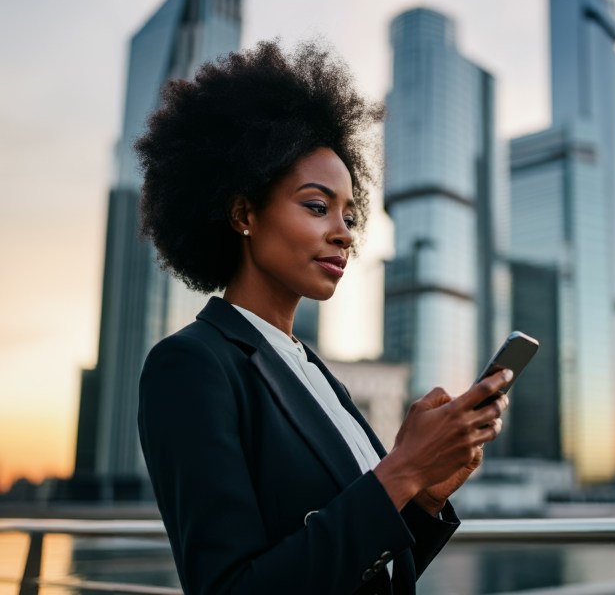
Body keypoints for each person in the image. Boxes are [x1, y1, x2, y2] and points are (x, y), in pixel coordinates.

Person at [136, 39, 511, 595]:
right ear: (243, 213)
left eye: (349, 213)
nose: (344, 232)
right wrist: (403, 469)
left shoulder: (313, 372)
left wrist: (425, 494)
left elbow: (361, 571)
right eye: (316, 206)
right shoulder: (191, 365)